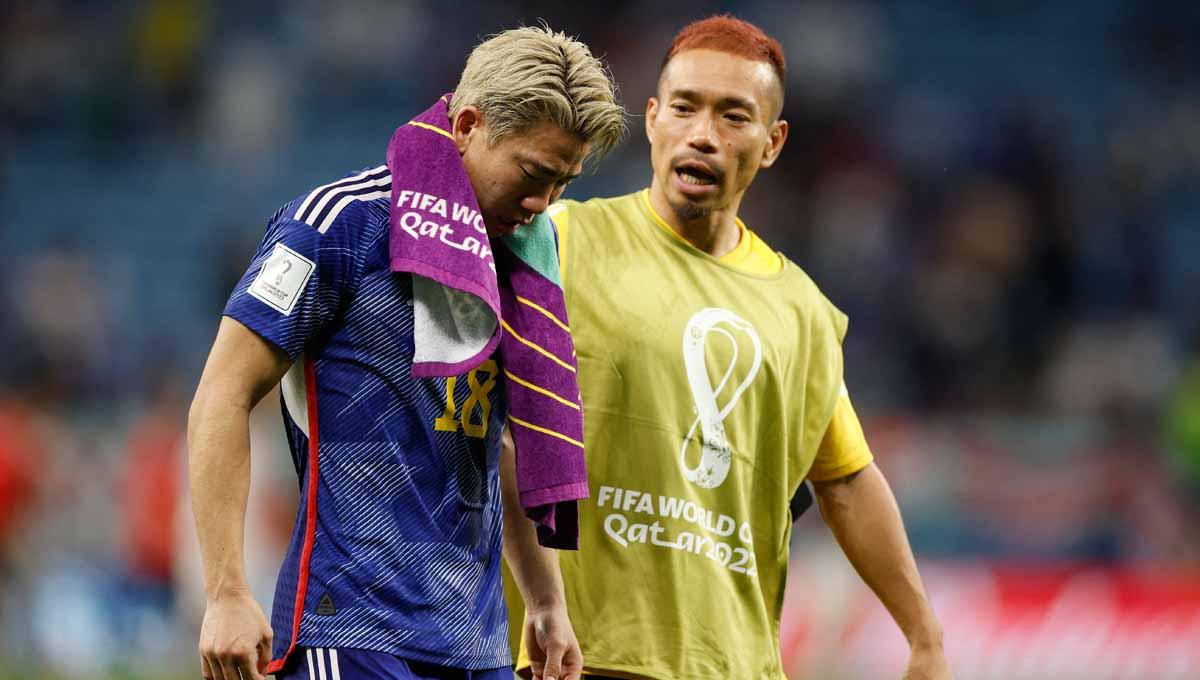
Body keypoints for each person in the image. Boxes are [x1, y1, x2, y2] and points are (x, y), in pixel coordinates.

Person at [510, 15, 950, 680]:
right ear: (652, 118)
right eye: (685, 107)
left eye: (733, 115)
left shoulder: (799, 309)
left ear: (771, 143)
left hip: (735, 665)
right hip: (580, 660)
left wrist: (924, 636)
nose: (703, 135)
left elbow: (848, 480)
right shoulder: (556, 243)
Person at [188, 26, 624, 680]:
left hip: (477, 644)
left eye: (563, 183)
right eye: (534, 174)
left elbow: (504, 441)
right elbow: (222, 393)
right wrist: (225, 590)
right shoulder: (339, 225)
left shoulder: (527, 263)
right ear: (469, 125)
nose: (543, 206)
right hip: (349, 630)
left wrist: (545, 600)